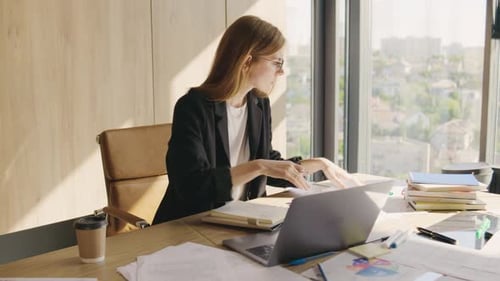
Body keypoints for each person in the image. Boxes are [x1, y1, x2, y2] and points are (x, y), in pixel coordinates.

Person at [153, 15, 359, 224]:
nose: (281, 72)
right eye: (276, 62)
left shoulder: (258, 105)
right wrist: (259, 166)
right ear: (247, 61)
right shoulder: (193, 107)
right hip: (190, 226)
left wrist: (320, 163)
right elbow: (192, 186)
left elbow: (268, 164)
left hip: (241, 222)